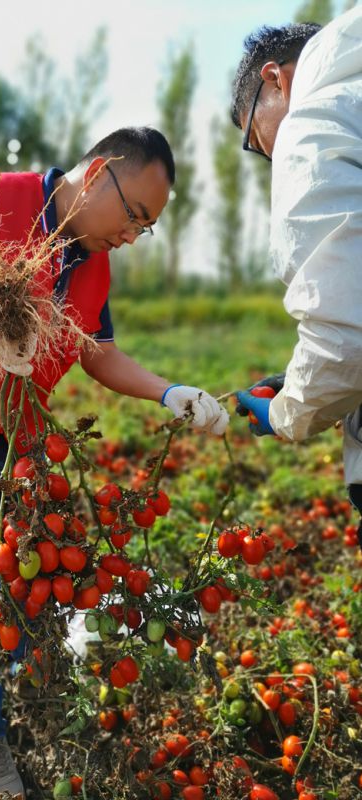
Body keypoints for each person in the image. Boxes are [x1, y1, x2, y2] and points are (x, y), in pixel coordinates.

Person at [0, 126, 229, 800]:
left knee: (35, 575)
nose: (132, 235)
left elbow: (98, 352)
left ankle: (39, 703)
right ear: (99, 174)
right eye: (136, 217)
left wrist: (170, 392)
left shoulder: (93, 259)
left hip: (26, 438)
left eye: (146, 228)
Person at [231, 8, 362, 548]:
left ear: (274, 79)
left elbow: (347, 331)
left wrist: (288, 412)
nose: (266, 154)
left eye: (255, 141)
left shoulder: (315, 123)